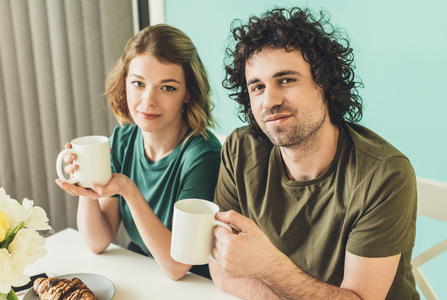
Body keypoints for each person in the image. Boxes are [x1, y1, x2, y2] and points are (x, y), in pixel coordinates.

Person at [209, 7, 419, 299]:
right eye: (257, 87)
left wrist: (268, 266)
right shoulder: (241, 149)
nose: (269, 101)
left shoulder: (384, 174)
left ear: (327, 85)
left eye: (286, 80)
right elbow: (220, 266)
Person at [56, 24, 221, 280]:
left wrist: (128, 190)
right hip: (143, 269)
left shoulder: (203, 156)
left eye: (167, 87)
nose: (148, 100)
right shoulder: (123, 138)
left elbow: (178, 267)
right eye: (138, 83)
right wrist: (85, 187)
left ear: (188, 93)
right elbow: (97, 241)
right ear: (124, 83)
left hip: (193, 283)